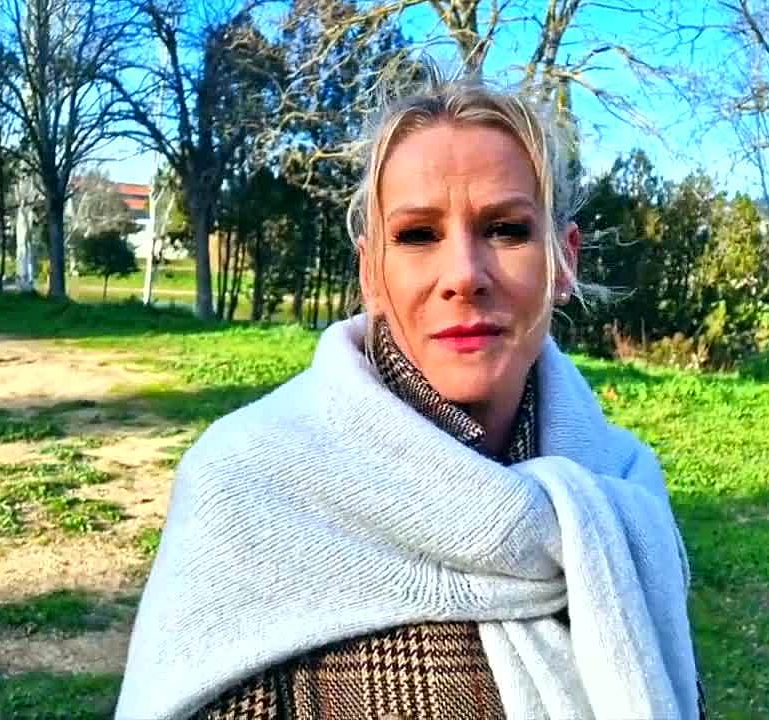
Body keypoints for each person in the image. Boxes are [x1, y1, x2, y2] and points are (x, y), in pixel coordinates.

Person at [116, 68, 703, 720]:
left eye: (506, 229)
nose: (464, 276)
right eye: (418, 235)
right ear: (371, 272)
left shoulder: (622, 489)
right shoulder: (245, 482)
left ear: (564, 262)